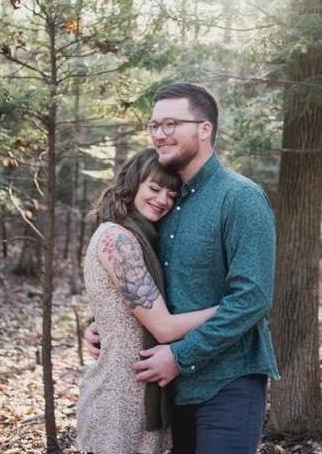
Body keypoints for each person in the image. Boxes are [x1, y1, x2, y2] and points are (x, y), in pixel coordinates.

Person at [85, 82, 280, 454]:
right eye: (155, 125)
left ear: (204, 129)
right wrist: (103, 324)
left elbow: (253, 297)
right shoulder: (163, 202)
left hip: (227, 383)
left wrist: (181, 355)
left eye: (171, 124)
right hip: (169, 390)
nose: (160, 134)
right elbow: (145, 281)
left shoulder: (240, 198)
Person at [76, 148, 219, 454]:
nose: (163, 200)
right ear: (132, 185)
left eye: (171, 193)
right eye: (154, 188)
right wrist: (228, 309)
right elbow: (164, 328)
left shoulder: (144, 238)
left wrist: (95, 325)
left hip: (141, 391)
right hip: (121, 398)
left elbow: (117, 306)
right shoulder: (119, 239)